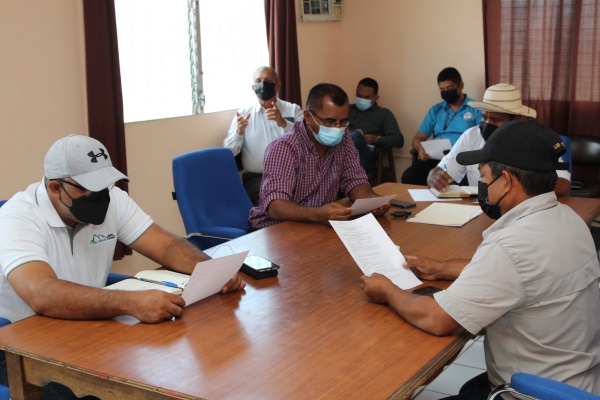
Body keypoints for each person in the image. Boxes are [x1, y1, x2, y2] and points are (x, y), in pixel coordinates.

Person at [361, 121, 600, 398]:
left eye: (484, 177)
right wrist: (440, 268)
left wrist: (387, 290)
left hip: (534, 391)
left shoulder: (511, 245)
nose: (482, 185)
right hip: (579, 378)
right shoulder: (569, 219)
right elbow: (517, 274)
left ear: (507, 180)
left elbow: (437, 319)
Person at [0, 135, 246, 399]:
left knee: (163, 374)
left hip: (85, 327)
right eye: (89, 189)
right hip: (18, 342)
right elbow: (41, 292)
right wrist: (130, 302)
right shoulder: (18, 217)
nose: (100, 196)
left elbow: (165, 245)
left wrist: (211, 270)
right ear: (56, 188)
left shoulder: (112, 199)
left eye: (105, 185)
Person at [248, 83, 391, 230]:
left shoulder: (344, 137)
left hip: (318, 225)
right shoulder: (284, 148)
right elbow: (276, 207)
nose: (337, 128)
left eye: (343, 121)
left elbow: (354, 180)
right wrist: (318, 214)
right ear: (308, 117)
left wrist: (371, 200)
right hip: (276, 229)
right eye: (329, 121)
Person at [427, 83, 572, 196]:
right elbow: (440, 170)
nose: (487, 124)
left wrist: (518, 184)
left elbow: (563, 184)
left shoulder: (535, 140)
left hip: (523, 212)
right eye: (484, 117)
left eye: (496, 120)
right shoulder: (471, 136)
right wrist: (434, 177)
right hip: (480, 211)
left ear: (516, 121)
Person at [224, 66, 303, 205]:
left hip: (292, 174)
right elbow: (228, 152)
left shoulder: (293, 109)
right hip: (258, 179)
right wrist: (239, 133)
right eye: (258, 81)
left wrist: (284, 123)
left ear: (278, 85)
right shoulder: (243, 114)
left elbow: (306, 142)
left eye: (267, 80)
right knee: (279, 198)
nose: (263, 84)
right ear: (253, 88)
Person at [401, 67, 481, 185]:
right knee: (409, 176)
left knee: (458, 183)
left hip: (460, 160)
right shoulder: (436, 110)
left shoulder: (476, 109)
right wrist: (420, 149)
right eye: (442, 89)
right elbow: (417, 138)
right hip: (435, 158)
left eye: (450, 88)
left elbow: (481, 139)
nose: (446, 92)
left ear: (461, 85)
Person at [348, 77, 404, 173]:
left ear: (376, 98)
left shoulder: (384, 114)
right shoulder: (346, 109)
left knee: (355, 135)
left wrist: (376, 139)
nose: (361, 99)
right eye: (359, 95)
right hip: (341, 155)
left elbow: (399, 140)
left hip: (365, 158)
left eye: (366, 97)